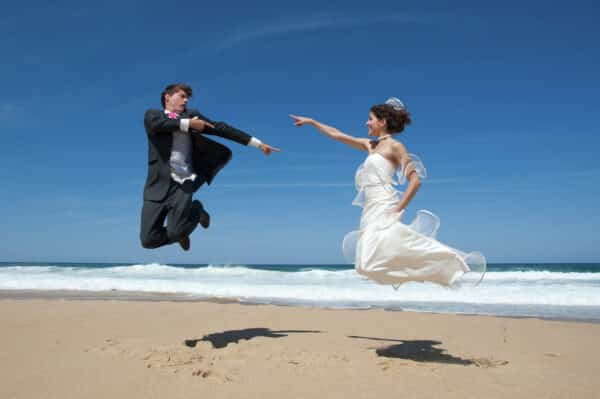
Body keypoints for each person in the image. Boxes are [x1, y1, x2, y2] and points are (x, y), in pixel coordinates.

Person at [290, 98, 485, 287]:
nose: (366, 122)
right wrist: (312, 122)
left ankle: (450, 263)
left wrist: (398, 209)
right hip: (369, 208)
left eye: (370, 119)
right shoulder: (370, 145)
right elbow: (337, 134)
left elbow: (415, 181)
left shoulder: (396, 147)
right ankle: (427, 272)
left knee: (375, 257)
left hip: (385, 204)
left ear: (382, 122)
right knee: (364, 265)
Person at [141, 83, 280, 251]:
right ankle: (180, 234)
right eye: (181, 96)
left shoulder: (193, 116)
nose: (185, 101)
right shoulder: (153, 114)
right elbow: (156, 125)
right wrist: (188, 124)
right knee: (148, 241)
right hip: (156, 186)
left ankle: (196, 212)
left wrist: (257, 144)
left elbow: (221, 128)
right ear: (167, 97)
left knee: (176, 231)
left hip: (183, 183)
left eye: (187, 98)